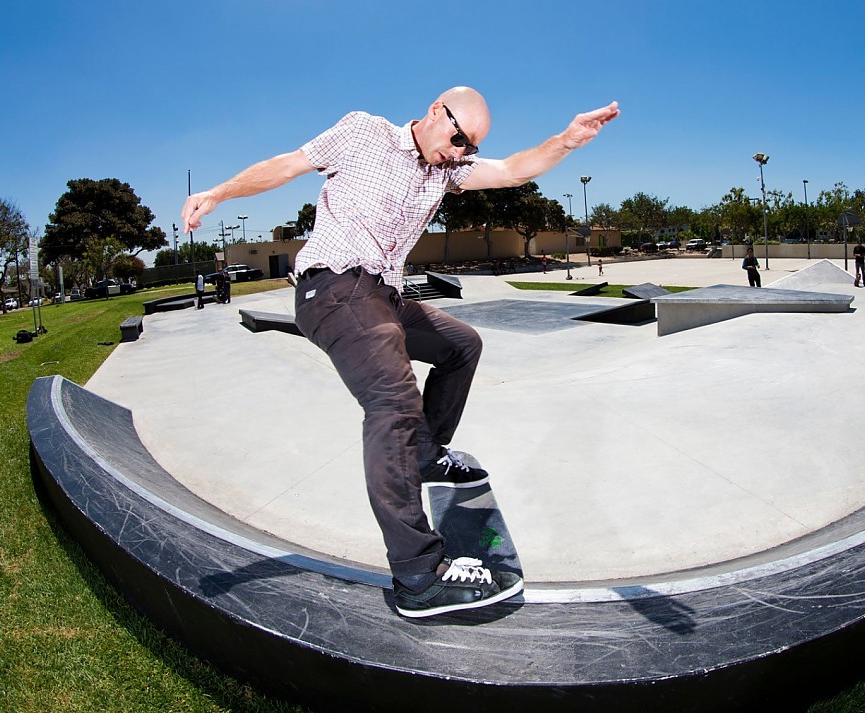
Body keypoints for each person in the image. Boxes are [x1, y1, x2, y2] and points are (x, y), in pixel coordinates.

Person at [181, 87, 619, 619]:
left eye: (469, 146)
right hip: (334, 288)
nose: (460, 152)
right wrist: (220, 192)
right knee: (394, 405)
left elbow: (511, 170)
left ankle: (424, 456)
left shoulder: (447, 170)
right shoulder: (364, 131)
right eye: (458, 138)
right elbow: (288, 165)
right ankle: (417, 575)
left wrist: (567, 142)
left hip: (386, 297)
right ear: (436, 110)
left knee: (461, 345)